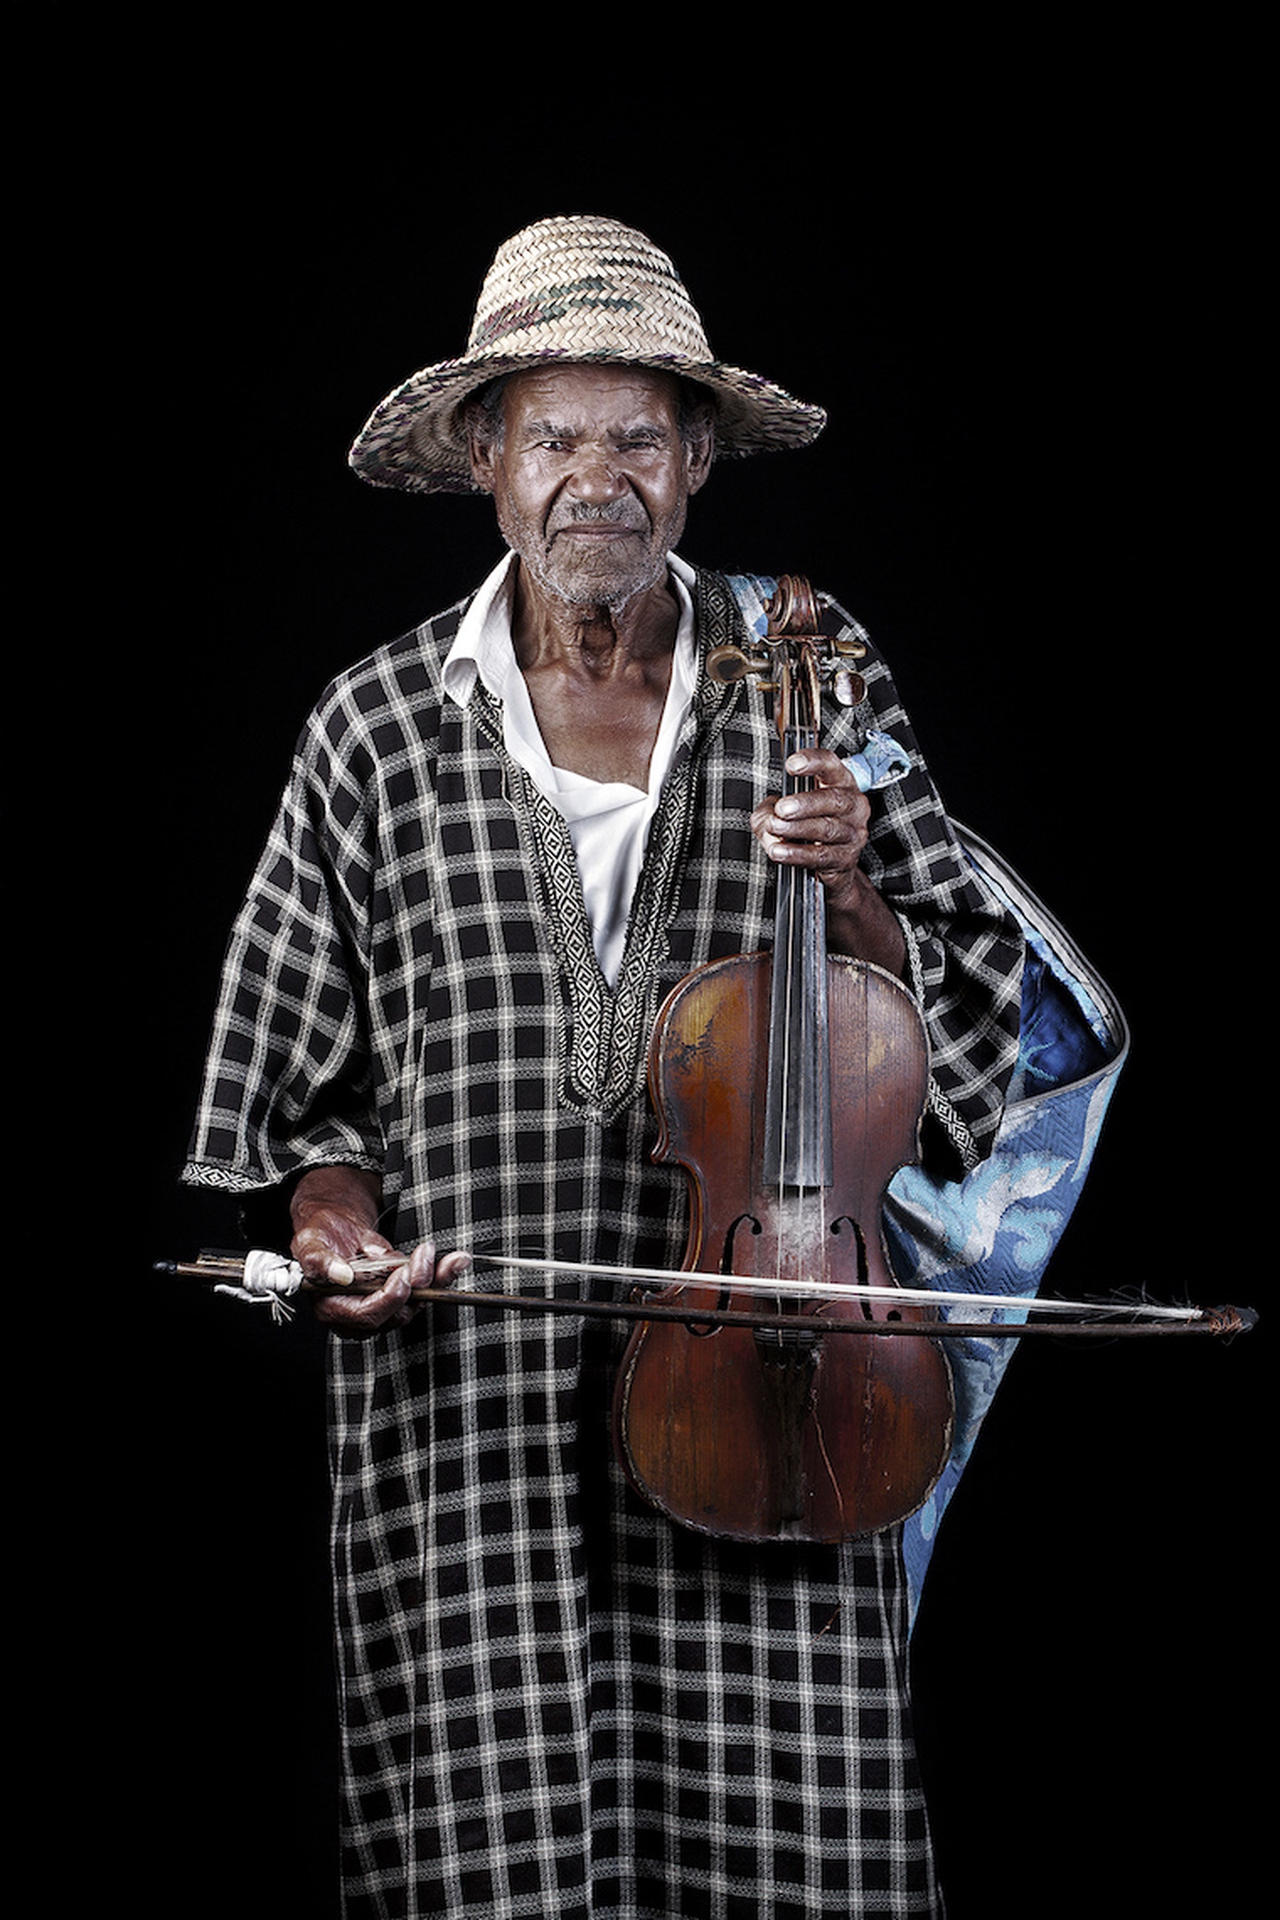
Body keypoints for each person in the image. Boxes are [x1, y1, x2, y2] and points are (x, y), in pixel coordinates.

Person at [183, 214, 1039, 1918]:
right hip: (473, 1420)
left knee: (798, 1855)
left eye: (639, 438)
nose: (599, 481)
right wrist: (336, 1226)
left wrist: (855, 888)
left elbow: (970, 1027)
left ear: (700, 458)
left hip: (777, 1389)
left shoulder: (817, 685)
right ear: (486, 461)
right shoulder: (371, 728)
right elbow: (302, 1098)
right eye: (555, 437)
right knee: (491, 1861)